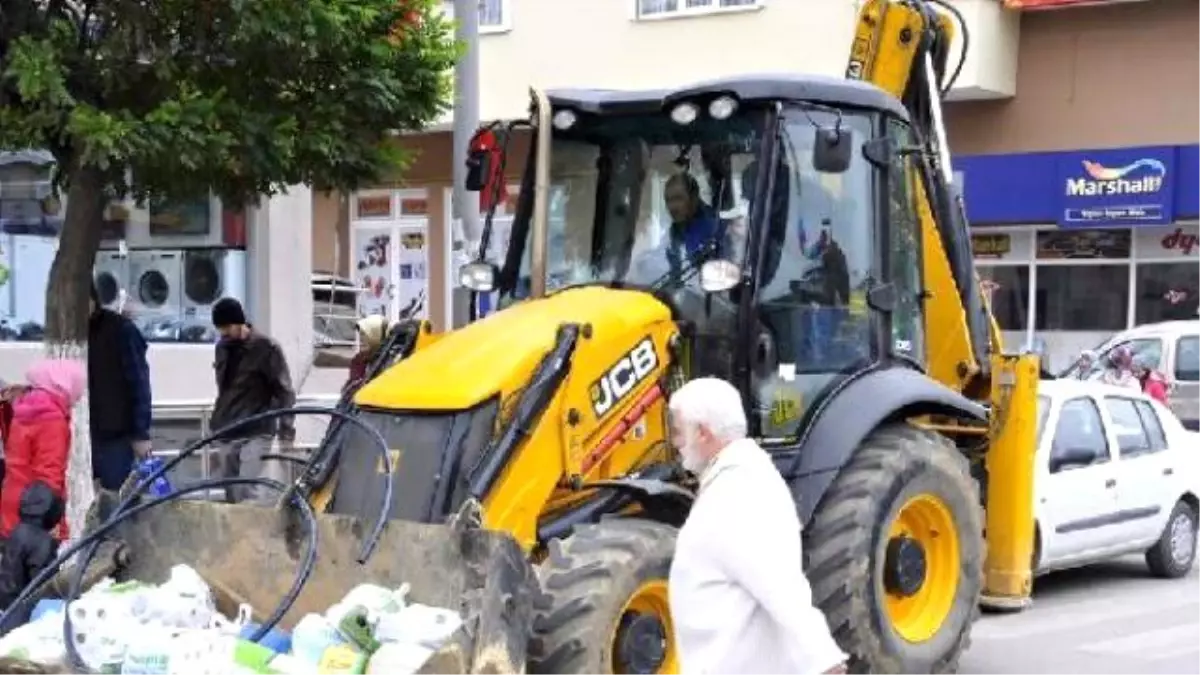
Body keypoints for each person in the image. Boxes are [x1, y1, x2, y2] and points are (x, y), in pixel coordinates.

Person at [666, 377, 847, 675]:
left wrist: (824, 661)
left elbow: (782, 588)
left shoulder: (739, 493)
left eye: (679, 433)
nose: (676, 443)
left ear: (703, 432)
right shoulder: (736, 480)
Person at [209, 297, 297, 504]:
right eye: (220, 329)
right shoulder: (222, 348)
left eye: (227, 328)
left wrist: (286, 431)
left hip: (258, 427)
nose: (224, 333)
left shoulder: (267, 349)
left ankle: (252, 531)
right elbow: (224, 390)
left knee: (247, 489)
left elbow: (284, 391)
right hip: (227, 427)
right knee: (231, 492)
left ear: (239, 322)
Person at [0, 359, 86, 541]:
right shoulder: (52, 421)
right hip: (36, 515)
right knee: (39, 568)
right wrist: (50, 521)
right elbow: (49, 473)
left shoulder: (23, 411)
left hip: (12, 505)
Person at [89, 283, 153, 491]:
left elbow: (139, 384)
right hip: (81, 432)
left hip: (115, 436)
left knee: (119, 501)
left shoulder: (121, 330)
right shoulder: (70, 335)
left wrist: (140, 433)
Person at [0, 481, 63, 634]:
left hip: (6, 602)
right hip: (22, 612)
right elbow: (43, 586)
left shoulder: (17, 531)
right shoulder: (43, 542)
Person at [345, 314, 389, 393]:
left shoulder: (393, 359)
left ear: (376, 334)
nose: (361, 338)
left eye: (364, 334)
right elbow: (353, 385)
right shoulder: (359, 359)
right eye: (361, 334)